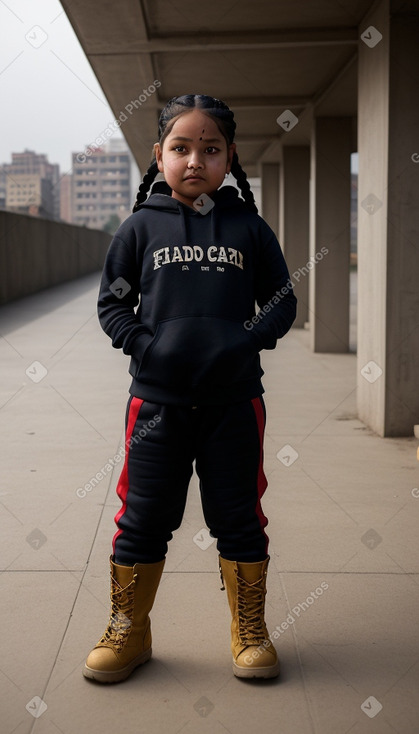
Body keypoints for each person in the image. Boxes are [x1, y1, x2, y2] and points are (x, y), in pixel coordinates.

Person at [83, 94, 297, 684]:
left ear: (230, 158)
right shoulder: (139, 228)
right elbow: (112, 305)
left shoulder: (249, 229)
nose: (194, 160)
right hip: (156, 405)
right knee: (144, 517)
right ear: (159, 156)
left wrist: (246, 341)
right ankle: (129, 631)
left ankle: (247, 631)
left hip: (234, 403)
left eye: (210, 149)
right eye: (181, 148)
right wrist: (147, 347)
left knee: (239, 516)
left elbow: (283, 300)